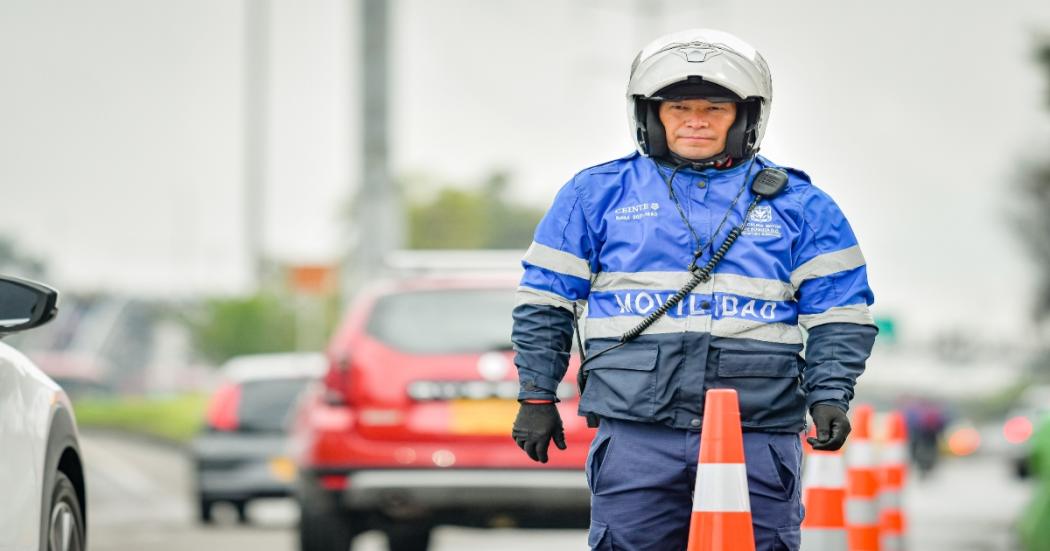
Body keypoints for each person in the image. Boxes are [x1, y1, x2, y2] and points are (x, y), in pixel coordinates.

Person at [510, 28, 878, 550]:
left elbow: (841, 312)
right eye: (679, 107)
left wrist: (830, 394)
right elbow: (545, 303)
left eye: (716, 108)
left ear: (746, 117)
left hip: (757, 432)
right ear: (652, 115)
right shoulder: (595, 194)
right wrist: (536, 395)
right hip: (637, 431)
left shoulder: (801, 205)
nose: (696, 120)